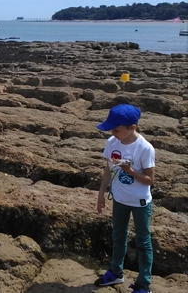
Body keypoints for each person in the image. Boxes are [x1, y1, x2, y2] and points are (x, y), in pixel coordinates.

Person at [95, 104, 155, 293]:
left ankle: (143, 284)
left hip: (139, 202)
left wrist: (130, 171)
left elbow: (149, 180)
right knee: (118, 236)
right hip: (120, 200)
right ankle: (115, 272)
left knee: (143, 242)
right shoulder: (112, 142)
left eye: (117, 129)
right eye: (112, 129)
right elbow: (107, 170)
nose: (113, 132)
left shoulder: (145, 148)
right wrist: (101, 193)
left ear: (132, 128)